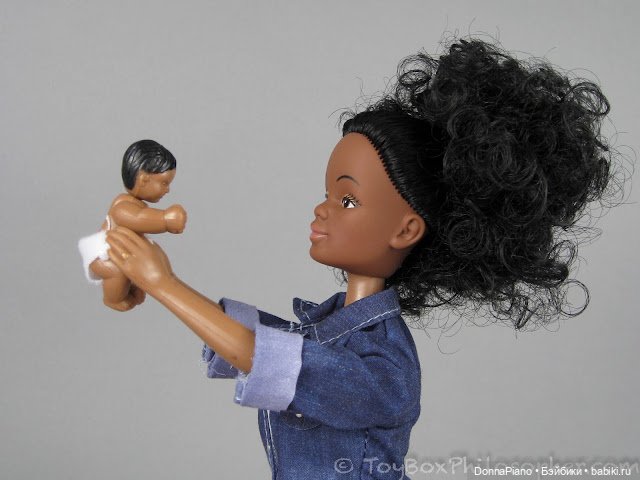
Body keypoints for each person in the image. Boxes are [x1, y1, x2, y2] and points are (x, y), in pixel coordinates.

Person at [104, 40, 618, 479]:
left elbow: (263, 356)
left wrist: (165, 284)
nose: (322, 209)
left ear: (406, 230)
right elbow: (255, 338)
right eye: (328, 194)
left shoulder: (384, 366)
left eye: (347, 200)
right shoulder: (335, 329)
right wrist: (150, 279)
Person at [78, 139, 187, 311]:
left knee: (136, 263)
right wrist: (165, 219)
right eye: (164, 183)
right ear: (143, 179)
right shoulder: (122, 207)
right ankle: (113, 299)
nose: (168, 190)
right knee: (116, 269)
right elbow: (139, 218)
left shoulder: (134, 203)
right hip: (104, 255)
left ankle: (130, 287)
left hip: (120, 252)